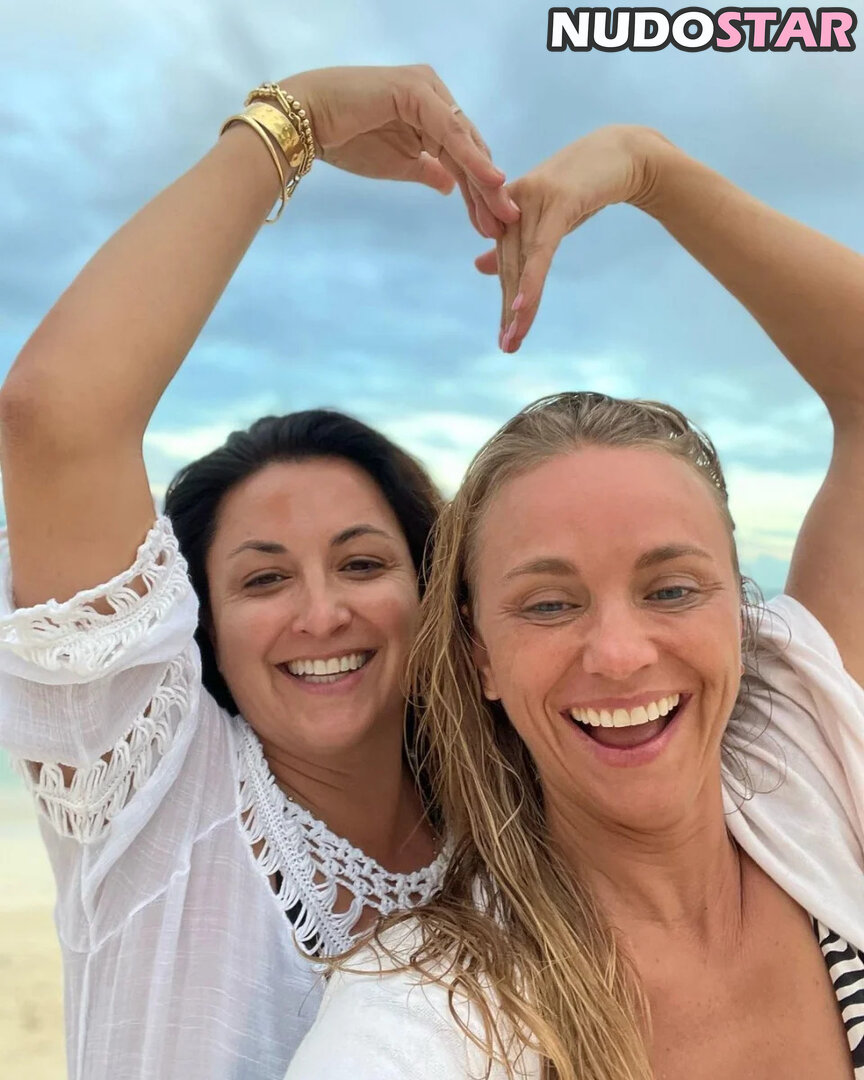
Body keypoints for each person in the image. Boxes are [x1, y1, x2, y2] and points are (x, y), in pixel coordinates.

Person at [285, 125, 864, 1079]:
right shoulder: (426, 1014)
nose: (621, 653)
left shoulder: (803, 767)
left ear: (738, 613)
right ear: (478, 655)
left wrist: (651, 167)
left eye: (672, 589)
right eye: (550, 606)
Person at [0, 65, 520, 1080]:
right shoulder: (154, 801)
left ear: (431, 594)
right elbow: (53, 416)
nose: (322, 613)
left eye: (362, 563)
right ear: (204, 628)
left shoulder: (512, 837)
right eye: (263, 580)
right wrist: (299, 120)